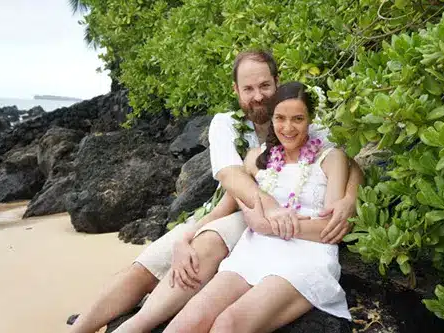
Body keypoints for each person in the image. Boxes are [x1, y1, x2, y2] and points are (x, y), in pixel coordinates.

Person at [70, 50, 363, 333]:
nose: (258, 95)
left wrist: (349, 197)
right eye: (248, 88)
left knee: (209, 246)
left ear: (277, 81)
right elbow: (231, 178)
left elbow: (349, 162)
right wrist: (192, 234)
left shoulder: (309, 121)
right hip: (238, 210)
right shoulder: (228, 126)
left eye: (264, 85)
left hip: (261, 225)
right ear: (236, 90)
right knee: (149, 265)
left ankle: (141, 322)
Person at [163, 81, 351, 333]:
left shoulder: (329, 158)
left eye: (298, 118)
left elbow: (330, 229)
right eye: (280, 118)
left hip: (307, 255)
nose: (288, 127)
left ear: (310, 119)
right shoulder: (255, 158)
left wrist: (268, 226)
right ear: (270, 118)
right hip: (254, 251)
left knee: (227, 325)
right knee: (188, 322)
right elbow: (223, 209)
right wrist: (184, 239)